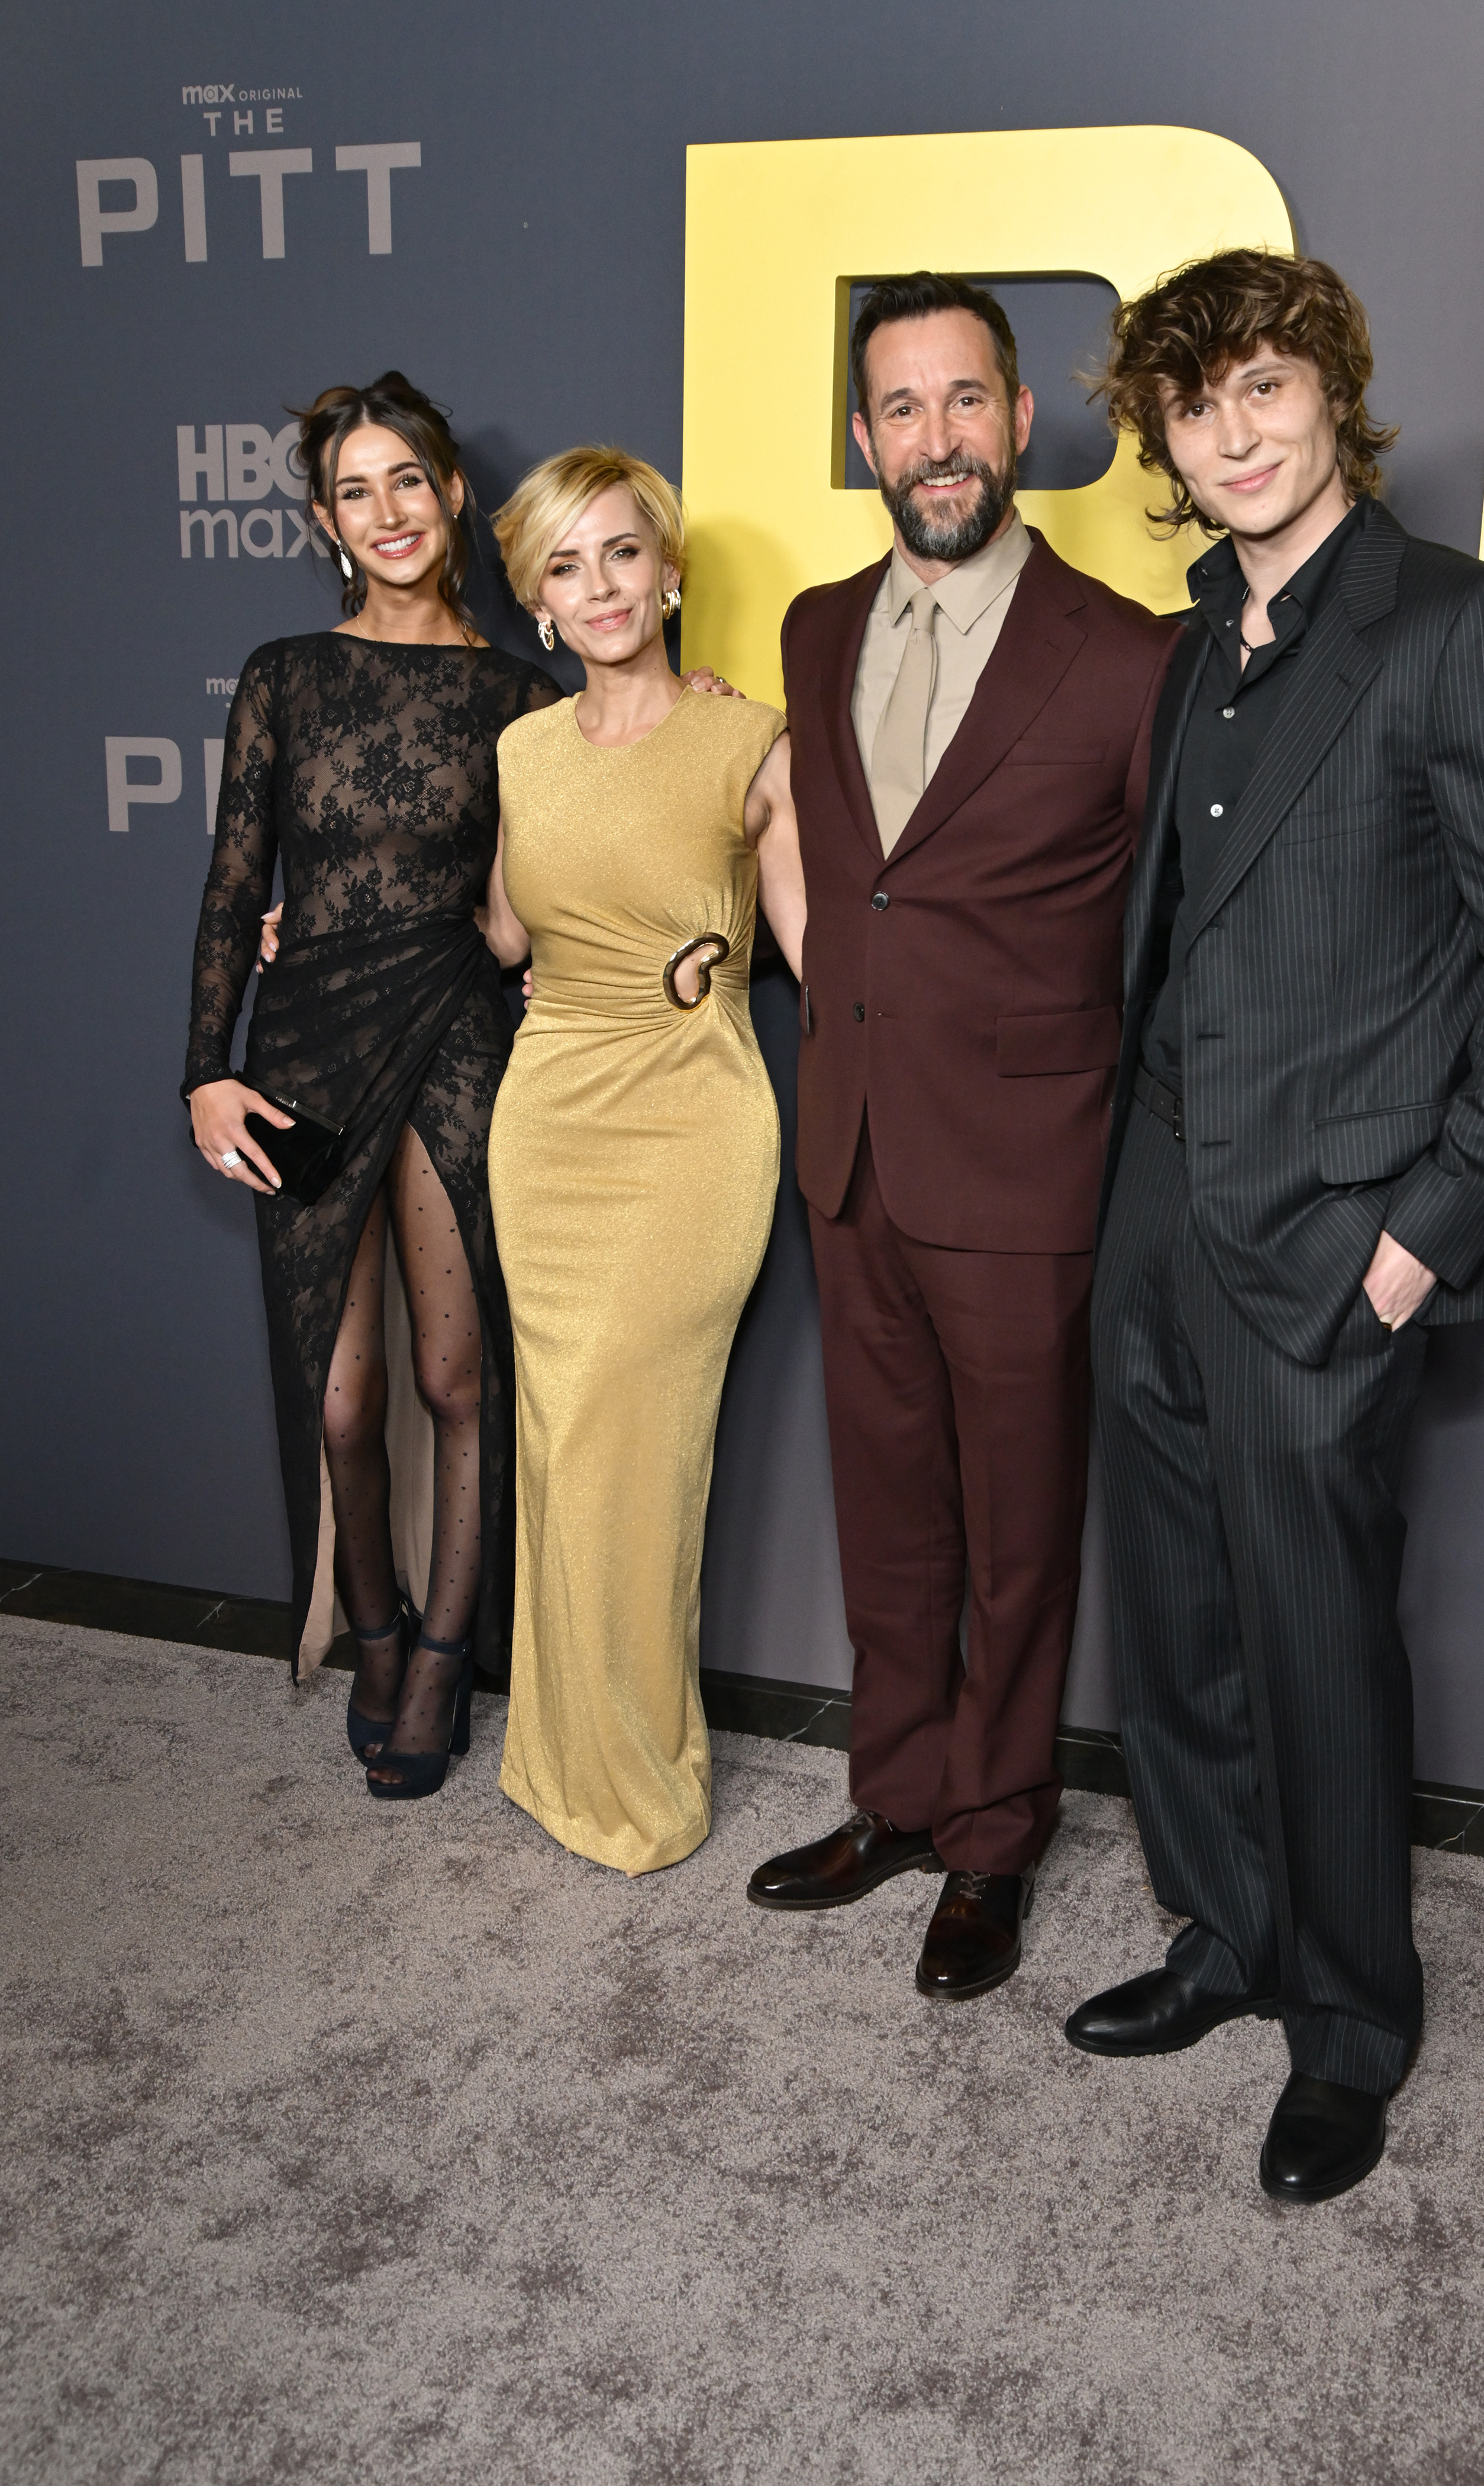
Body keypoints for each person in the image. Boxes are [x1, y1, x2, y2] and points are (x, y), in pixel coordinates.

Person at [1066, 250, 1484, 2200]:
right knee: (1177, 1621)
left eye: (1258, 388)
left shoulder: (1461, 630)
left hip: (1329, 1236)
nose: (1225, 433)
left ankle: (1347, 2026)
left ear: (1331, 396)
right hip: (1152, 1215)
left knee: (1309, 1637)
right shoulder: (1180, 646)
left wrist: (1419, 1237)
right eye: (1187, 405)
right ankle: (1220, 1939)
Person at [747, 275, 1179, 1997]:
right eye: (899, 410)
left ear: (1020, 421)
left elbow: (1171, 930)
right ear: (864, 440)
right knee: (889, 1513)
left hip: (1024, 1173)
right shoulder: (808, 624)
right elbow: (835, 867)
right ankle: (899, 1793)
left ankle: (993, 1837)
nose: (935, 439)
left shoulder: (1131, 658)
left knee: (1013, 1532)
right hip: (847, 1148)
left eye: (963, 401)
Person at [184, 371, 562, 1798]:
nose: (388, 511)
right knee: (343, 1399)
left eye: (409, 479)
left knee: (455, 1376)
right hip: (303, 1045)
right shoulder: (284, 673)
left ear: (453, 492)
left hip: (459, 1033)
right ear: (329, 521)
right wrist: (203, 1075)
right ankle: (376, 1623)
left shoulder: (525, 696)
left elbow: (555, 886)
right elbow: (232, 885)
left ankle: (449, 1652)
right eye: (356, 490)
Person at [485, 449, 804, 1875]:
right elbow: (507, 931)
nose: (599, 587)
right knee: (560, 1442)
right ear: (537, 602)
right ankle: (555, 1755)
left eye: (622, 553)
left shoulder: (751, 741)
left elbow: (822, 956)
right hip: (546, 1127)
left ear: (670, 572)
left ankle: (642, 1783)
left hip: (689, 1127)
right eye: (566, 566)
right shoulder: (522, 752)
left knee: (636, 1444)